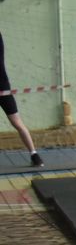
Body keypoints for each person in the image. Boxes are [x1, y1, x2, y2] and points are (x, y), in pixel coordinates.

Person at [0, 27, 42, 168]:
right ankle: (35, 156)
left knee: (17, 122)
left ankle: (34, 155)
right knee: (18, 123)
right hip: (4, 87)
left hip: (3, 89)